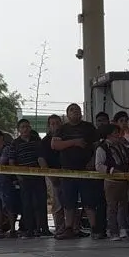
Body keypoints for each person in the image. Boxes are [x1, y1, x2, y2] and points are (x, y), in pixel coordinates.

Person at [51, 103, 99, 240]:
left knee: (89, 201)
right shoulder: (62, 129)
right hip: (68, 171)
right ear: (67, 114)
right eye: (72, 110)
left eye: (77, 109)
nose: (75, 111)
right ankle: (69, 228)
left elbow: (97, 146)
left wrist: (93, 161)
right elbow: (55, 145)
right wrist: (74, 142)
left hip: (86, 169)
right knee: (68, 201)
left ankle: (95, 229)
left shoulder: (88, 127)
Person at [94, 124, 129, 240]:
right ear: (108, 135)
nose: (118, 135)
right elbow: (98, 165)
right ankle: (113, 231)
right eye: (116, 133)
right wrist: (111, 170)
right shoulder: (102, 148)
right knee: (112, 207)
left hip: (124, 180)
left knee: (123, 206)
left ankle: (123, 229)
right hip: (111, 181)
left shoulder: (121, 145)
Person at [11, 119, 47, 238]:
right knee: (27, 205)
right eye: (23, 127)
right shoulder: (15, 143)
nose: (25, 129)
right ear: (19, 130)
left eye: (27, 126)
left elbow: (41, 157)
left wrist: (45, 172)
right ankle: (29, 229)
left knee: (41, 203)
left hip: (38, 177)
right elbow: (12, 161)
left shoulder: (37, 141)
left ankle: (43, 228)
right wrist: (18, 176)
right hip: (24, 179)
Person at [40, 114, 64, 233]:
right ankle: (59, 228)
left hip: (67, 173)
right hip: (52, 174)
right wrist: (50, 175)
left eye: (58, 123)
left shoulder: (65, 138)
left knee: (69, 201)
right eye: (52, 123)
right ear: (49, 126)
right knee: (57, 202)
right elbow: (41, 159)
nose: (55, 126)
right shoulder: (45, 141)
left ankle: (73, 227)